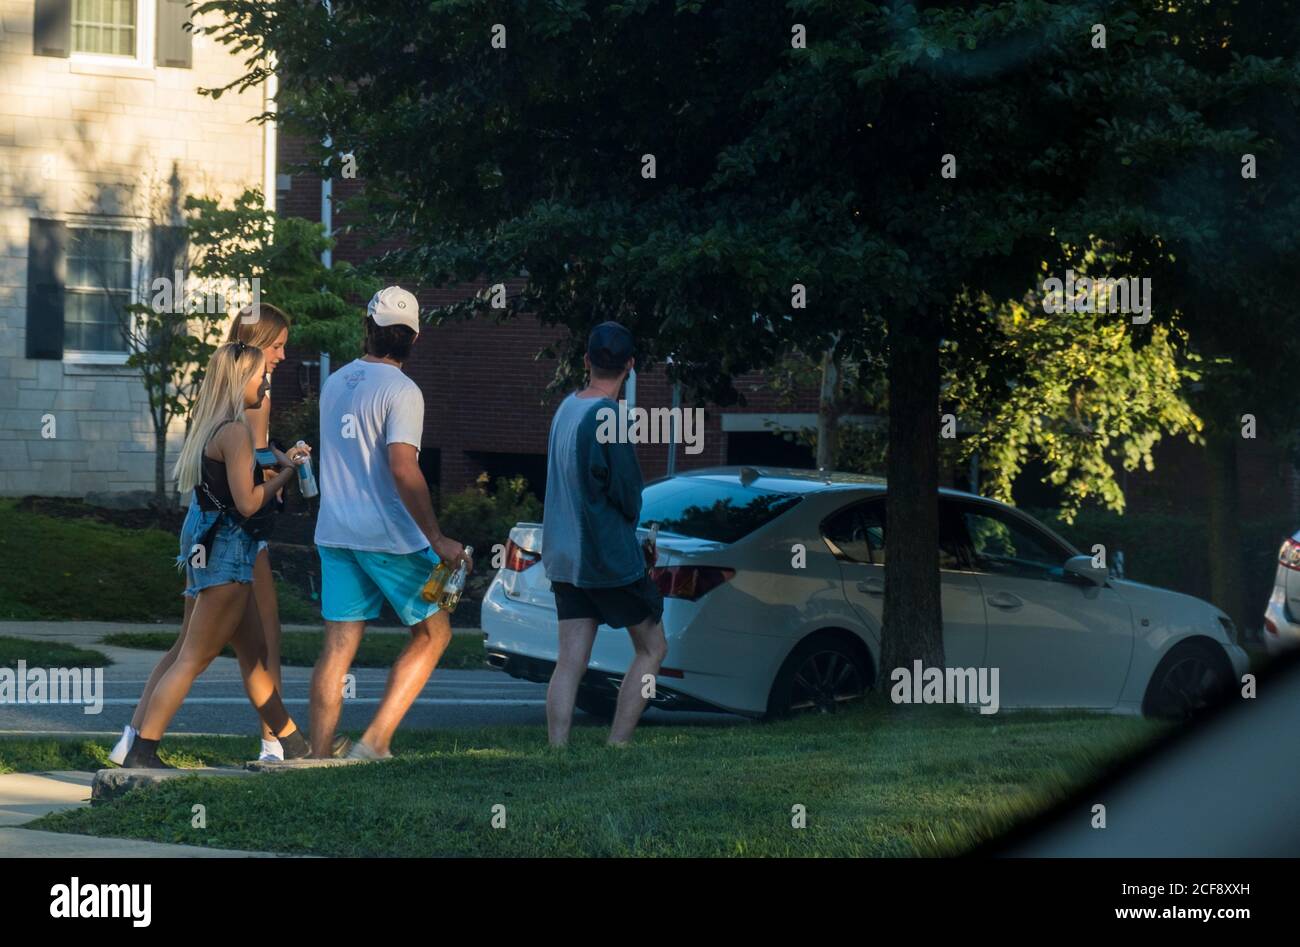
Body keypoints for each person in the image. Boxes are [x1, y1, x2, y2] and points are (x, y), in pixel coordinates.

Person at [111, 304, 306, 765]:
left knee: (252, 652)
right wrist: (286, 473)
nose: (266, 382)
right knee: (194, 657)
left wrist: (277, 462)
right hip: (229, 548)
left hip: (203, 539)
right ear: (244, 377)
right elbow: (249, 502)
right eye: (262, 373)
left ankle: (293, 744)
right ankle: (144, 751)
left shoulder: (213, 421)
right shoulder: (237, 432)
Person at [309, 286, 472, 760]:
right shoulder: (403, 391)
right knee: (434, 632)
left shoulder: (335, 382)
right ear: (414, 340)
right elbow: (403, 467)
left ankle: (319, 756)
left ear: (368, 328)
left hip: (335, 531)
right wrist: (437, 538)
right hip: (387, 536)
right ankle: (374, 742)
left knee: (337, 648)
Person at [541, 322, 667, 747]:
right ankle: (618, 743)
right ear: (630, 367)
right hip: (604, 557)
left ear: (586, 361)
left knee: (569, 661)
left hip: (564, 557)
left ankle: (557, 749)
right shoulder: (610, 417)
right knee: (652, 648)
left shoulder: (566, 409)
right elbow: (627, 494)